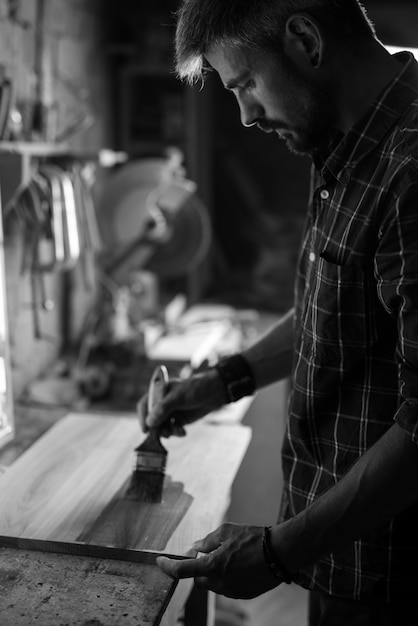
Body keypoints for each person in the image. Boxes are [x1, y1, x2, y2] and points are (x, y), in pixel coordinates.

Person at [137, 1, 418, 623]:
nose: (244, 116)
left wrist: (275, 552)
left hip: (395, 576)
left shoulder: (410, 166)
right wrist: (219, 382)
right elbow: (330, 314)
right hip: (341, 560)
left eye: (245, 84)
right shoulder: (344, 148)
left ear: (304, 41)